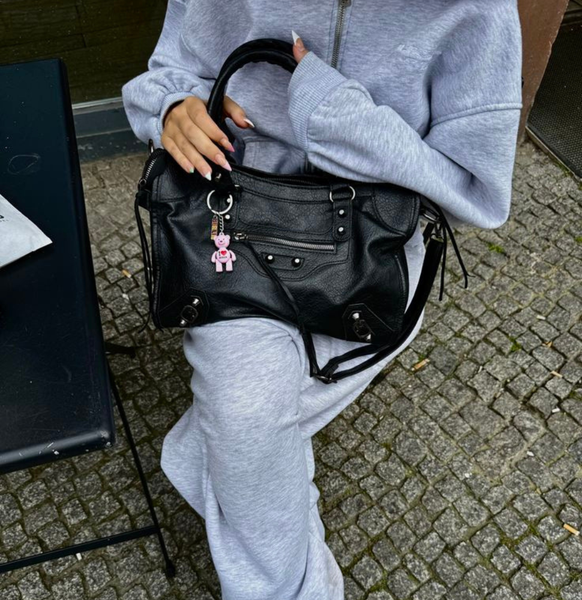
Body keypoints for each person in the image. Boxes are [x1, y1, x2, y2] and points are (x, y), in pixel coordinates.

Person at [121, 1, 522, 598]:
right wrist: (173, 106)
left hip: (370, 255)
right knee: (246, 415)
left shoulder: (477, 9)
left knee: (242, 436)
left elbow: (478, 193)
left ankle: (211, 451)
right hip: (232, 230)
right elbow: (171, 69)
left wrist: (333, 113)